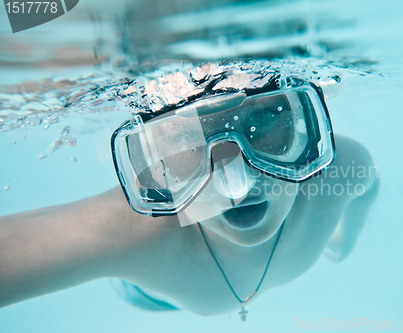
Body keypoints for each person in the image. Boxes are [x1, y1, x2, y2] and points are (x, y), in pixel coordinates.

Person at [0, 70, 378, 321]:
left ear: (306, 126)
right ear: (153, 160)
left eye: (262, 120)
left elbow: (366, 188)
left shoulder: (341, 168)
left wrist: (350, 232)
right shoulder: (132, 234)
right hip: (151, 296)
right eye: (185, 138)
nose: (237, 184)